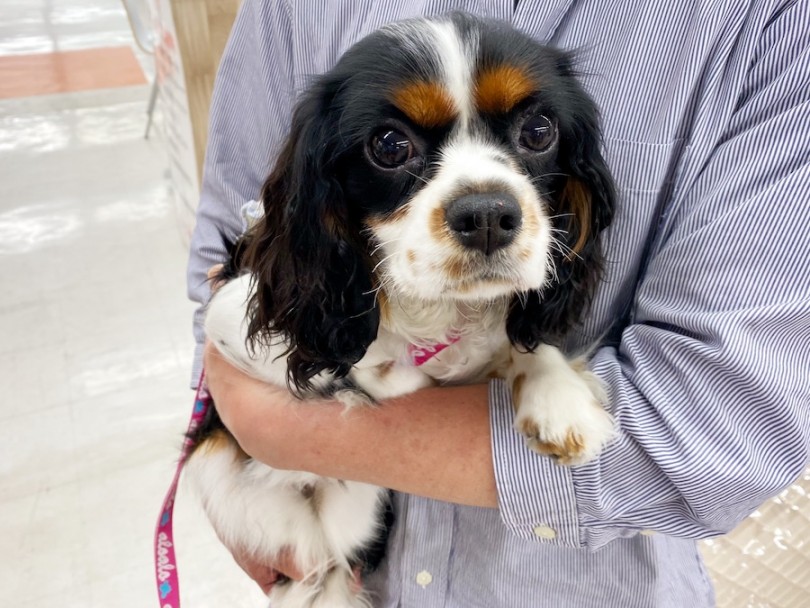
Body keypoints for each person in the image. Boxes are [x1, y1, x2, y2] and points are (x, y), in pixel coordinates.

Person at [187, 1, 810, 606]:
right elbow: (229, 232)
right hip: (318, 549)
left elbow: (729, 431)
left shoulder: (770, 21)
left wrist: (287, 429)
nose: (485, 204)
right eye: (391, 146)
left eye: (534, 135)